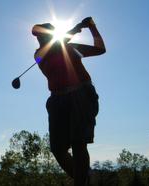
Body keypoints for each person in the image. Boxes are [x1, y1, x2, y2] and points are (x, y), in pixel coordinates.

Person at [32, 17, 106, 186]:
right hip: (57, 100)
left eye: (43, 36)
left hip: (81, 95)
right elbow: (36, 30)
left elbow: (100, 49)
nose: (39, 37)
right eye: (39, 36)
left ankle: (81, 182)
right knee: (58, 149)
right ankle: (84, 180)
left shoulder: (71, 49)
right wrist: (76, 28)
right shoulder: (38, 55)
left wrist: (92, 28)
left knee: (79, 143)